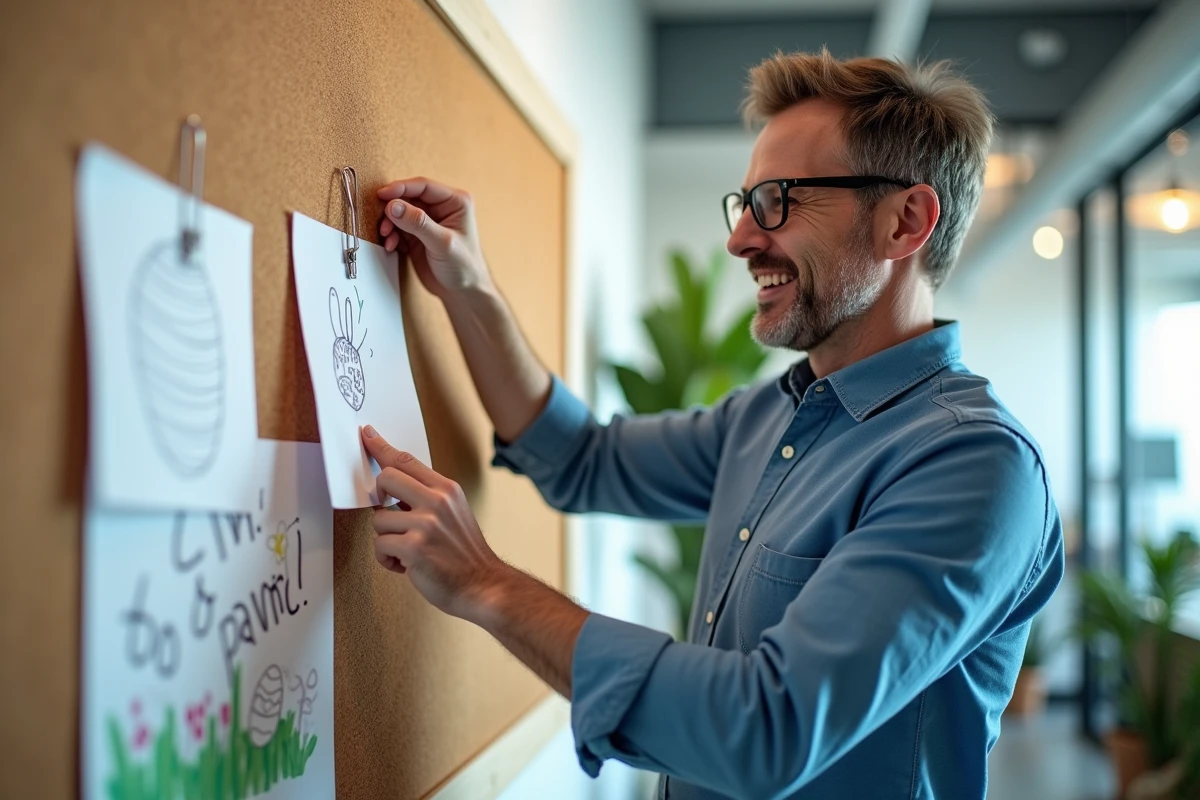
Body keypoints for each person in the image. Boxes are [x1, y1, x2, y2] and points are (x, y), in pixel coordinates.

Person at [359, 49, 1064, 800]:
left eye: (780, 201)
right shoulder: (769, 417)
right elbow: (580, 459)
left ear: (905, 222)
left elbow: (767, 728)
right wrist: (469, 289)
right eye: (746, 203)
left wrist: (487, 584)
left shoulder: (973, 464)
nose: (741, 240)